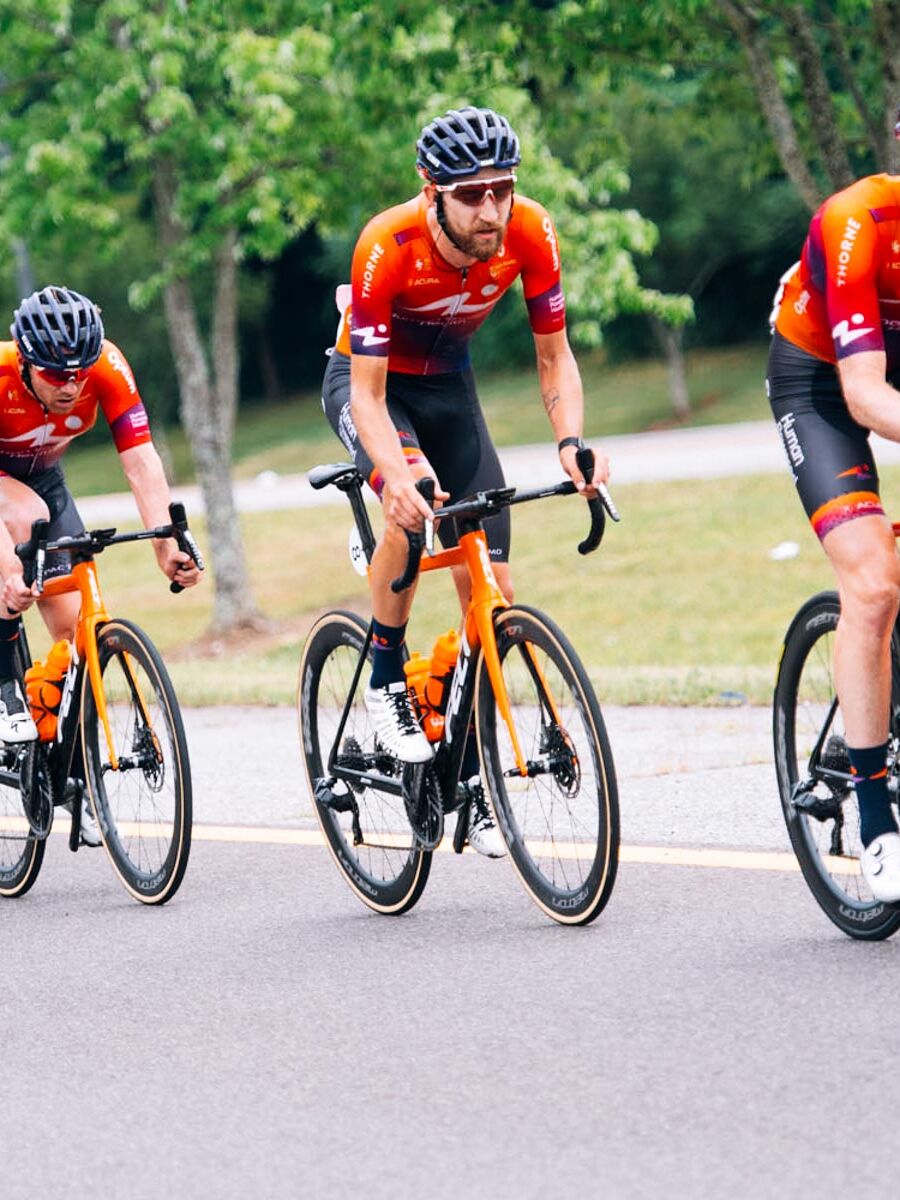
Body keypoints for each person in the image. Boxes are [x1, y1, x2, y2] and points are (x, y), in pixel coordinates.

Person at [322, 105, 609, 857]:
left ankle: (473, 773)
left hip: (451, 388)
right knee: (407, 503)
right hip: (372, 388)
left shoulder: (531, 231)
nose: (492, 208)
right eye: (473, 194)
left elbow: (555, 357)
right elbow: (369, 397)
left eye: (502, 189)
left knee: (495, 594)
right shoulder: (387, 245)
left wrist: (571, 442)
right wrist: (397, 474)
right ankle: (385, 670)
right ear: (432, 191)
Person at [0, 285, 202, 840]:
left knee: (75, 640)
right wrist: (8, 570)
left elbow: (140, 462)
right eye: (55, 376)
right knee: (24, 523)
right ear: (25, 361)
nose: (71, 387)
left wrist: (167, 543)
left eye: (79, 374)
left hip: (46, 479)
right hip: (5, 491)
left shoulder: (107, 367)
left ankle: (73, 774)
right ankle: (4, 687)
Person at [767, 160, 900, 902]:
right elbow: (866, 394)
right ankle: (876, 816)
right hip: (822, 381)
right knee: (875, 585)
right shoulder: (857, 221)